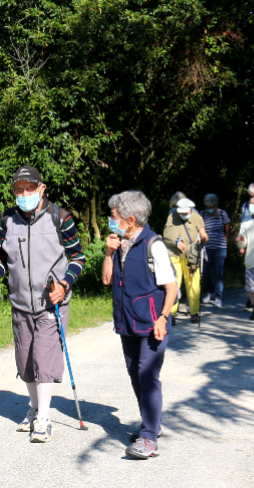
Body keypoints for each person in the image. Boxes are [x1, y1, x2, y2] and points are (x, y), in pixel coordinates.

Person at [0, 166, 86, 444]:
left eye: (29, 188)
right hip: (20, 303)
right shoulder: (8, 220)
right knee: (25, 360)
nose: (23, 194)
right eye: (18, 189)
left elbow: (78, 258)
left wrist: (64, 285)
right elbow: (3, 258)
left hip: (51, 302)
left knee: (44, 359)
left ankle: (44, 418)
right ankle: (35, 407)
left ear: (41, 188)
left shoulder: (60, 218)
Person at [101, 190, 177, 460]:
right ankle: (151, 423)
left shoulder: (152, 244)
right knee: (136, 376)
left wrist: (163, 317)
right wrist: (109, 253)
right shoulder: (120, 242)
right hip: (126, 323)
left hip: (152, 324)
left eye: (114, 216)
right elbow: (107, 280)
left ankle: (148, 437)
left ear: (130, 219)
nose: (111, 220)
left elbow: (172, 287)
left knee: (147, 376)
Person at [162, 196, 208, 325]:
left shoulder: (197, 218)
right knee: (174, 285)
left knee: (194, 285)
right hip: (174, 255)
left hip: (191, 256)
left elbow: (203, 233)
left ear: (190, 210)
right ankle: (171, 315)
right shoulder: (171, 217)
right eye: (181, 213)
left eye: (185, 213)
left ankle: (194, 313)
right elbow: (166, 234)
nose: (183, 215)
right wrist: (176, 242)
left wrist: (203, 237)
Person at [201, 194, 231, 307]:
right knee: (205, 272)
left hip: (220, 248)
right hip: (207, 248)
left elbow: (227, 227)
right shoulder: (202, 214)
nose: (209, 209)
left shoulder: (222, 213)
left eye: (211, 206)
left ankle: (218, 297)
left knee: (218, 273)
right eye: (207, 206)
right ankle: (211, 291)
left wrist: (226, 239)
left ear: (215, 204)